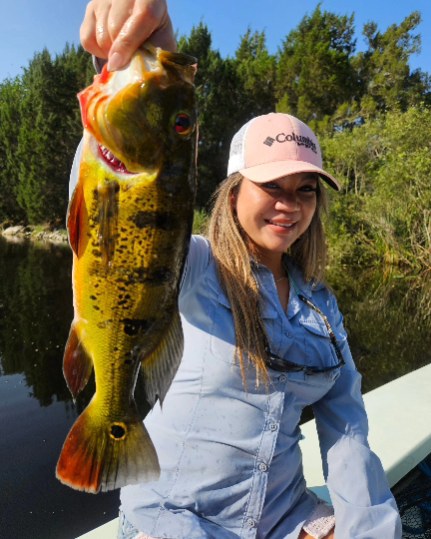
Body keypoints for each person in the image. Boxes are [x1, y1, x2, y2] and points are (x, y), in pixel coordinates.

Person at [77, 2, 402, 538]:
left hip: (284, 514)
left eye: (305, 190)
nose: (289, 204)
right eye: (271, 186)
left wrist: (368, 529)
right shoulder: (194, 263)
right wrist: (144, 51)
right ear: (233, 194)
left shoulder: (321, 307)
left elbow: (346, 429)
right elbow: (130, 209)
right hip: (177, 519)